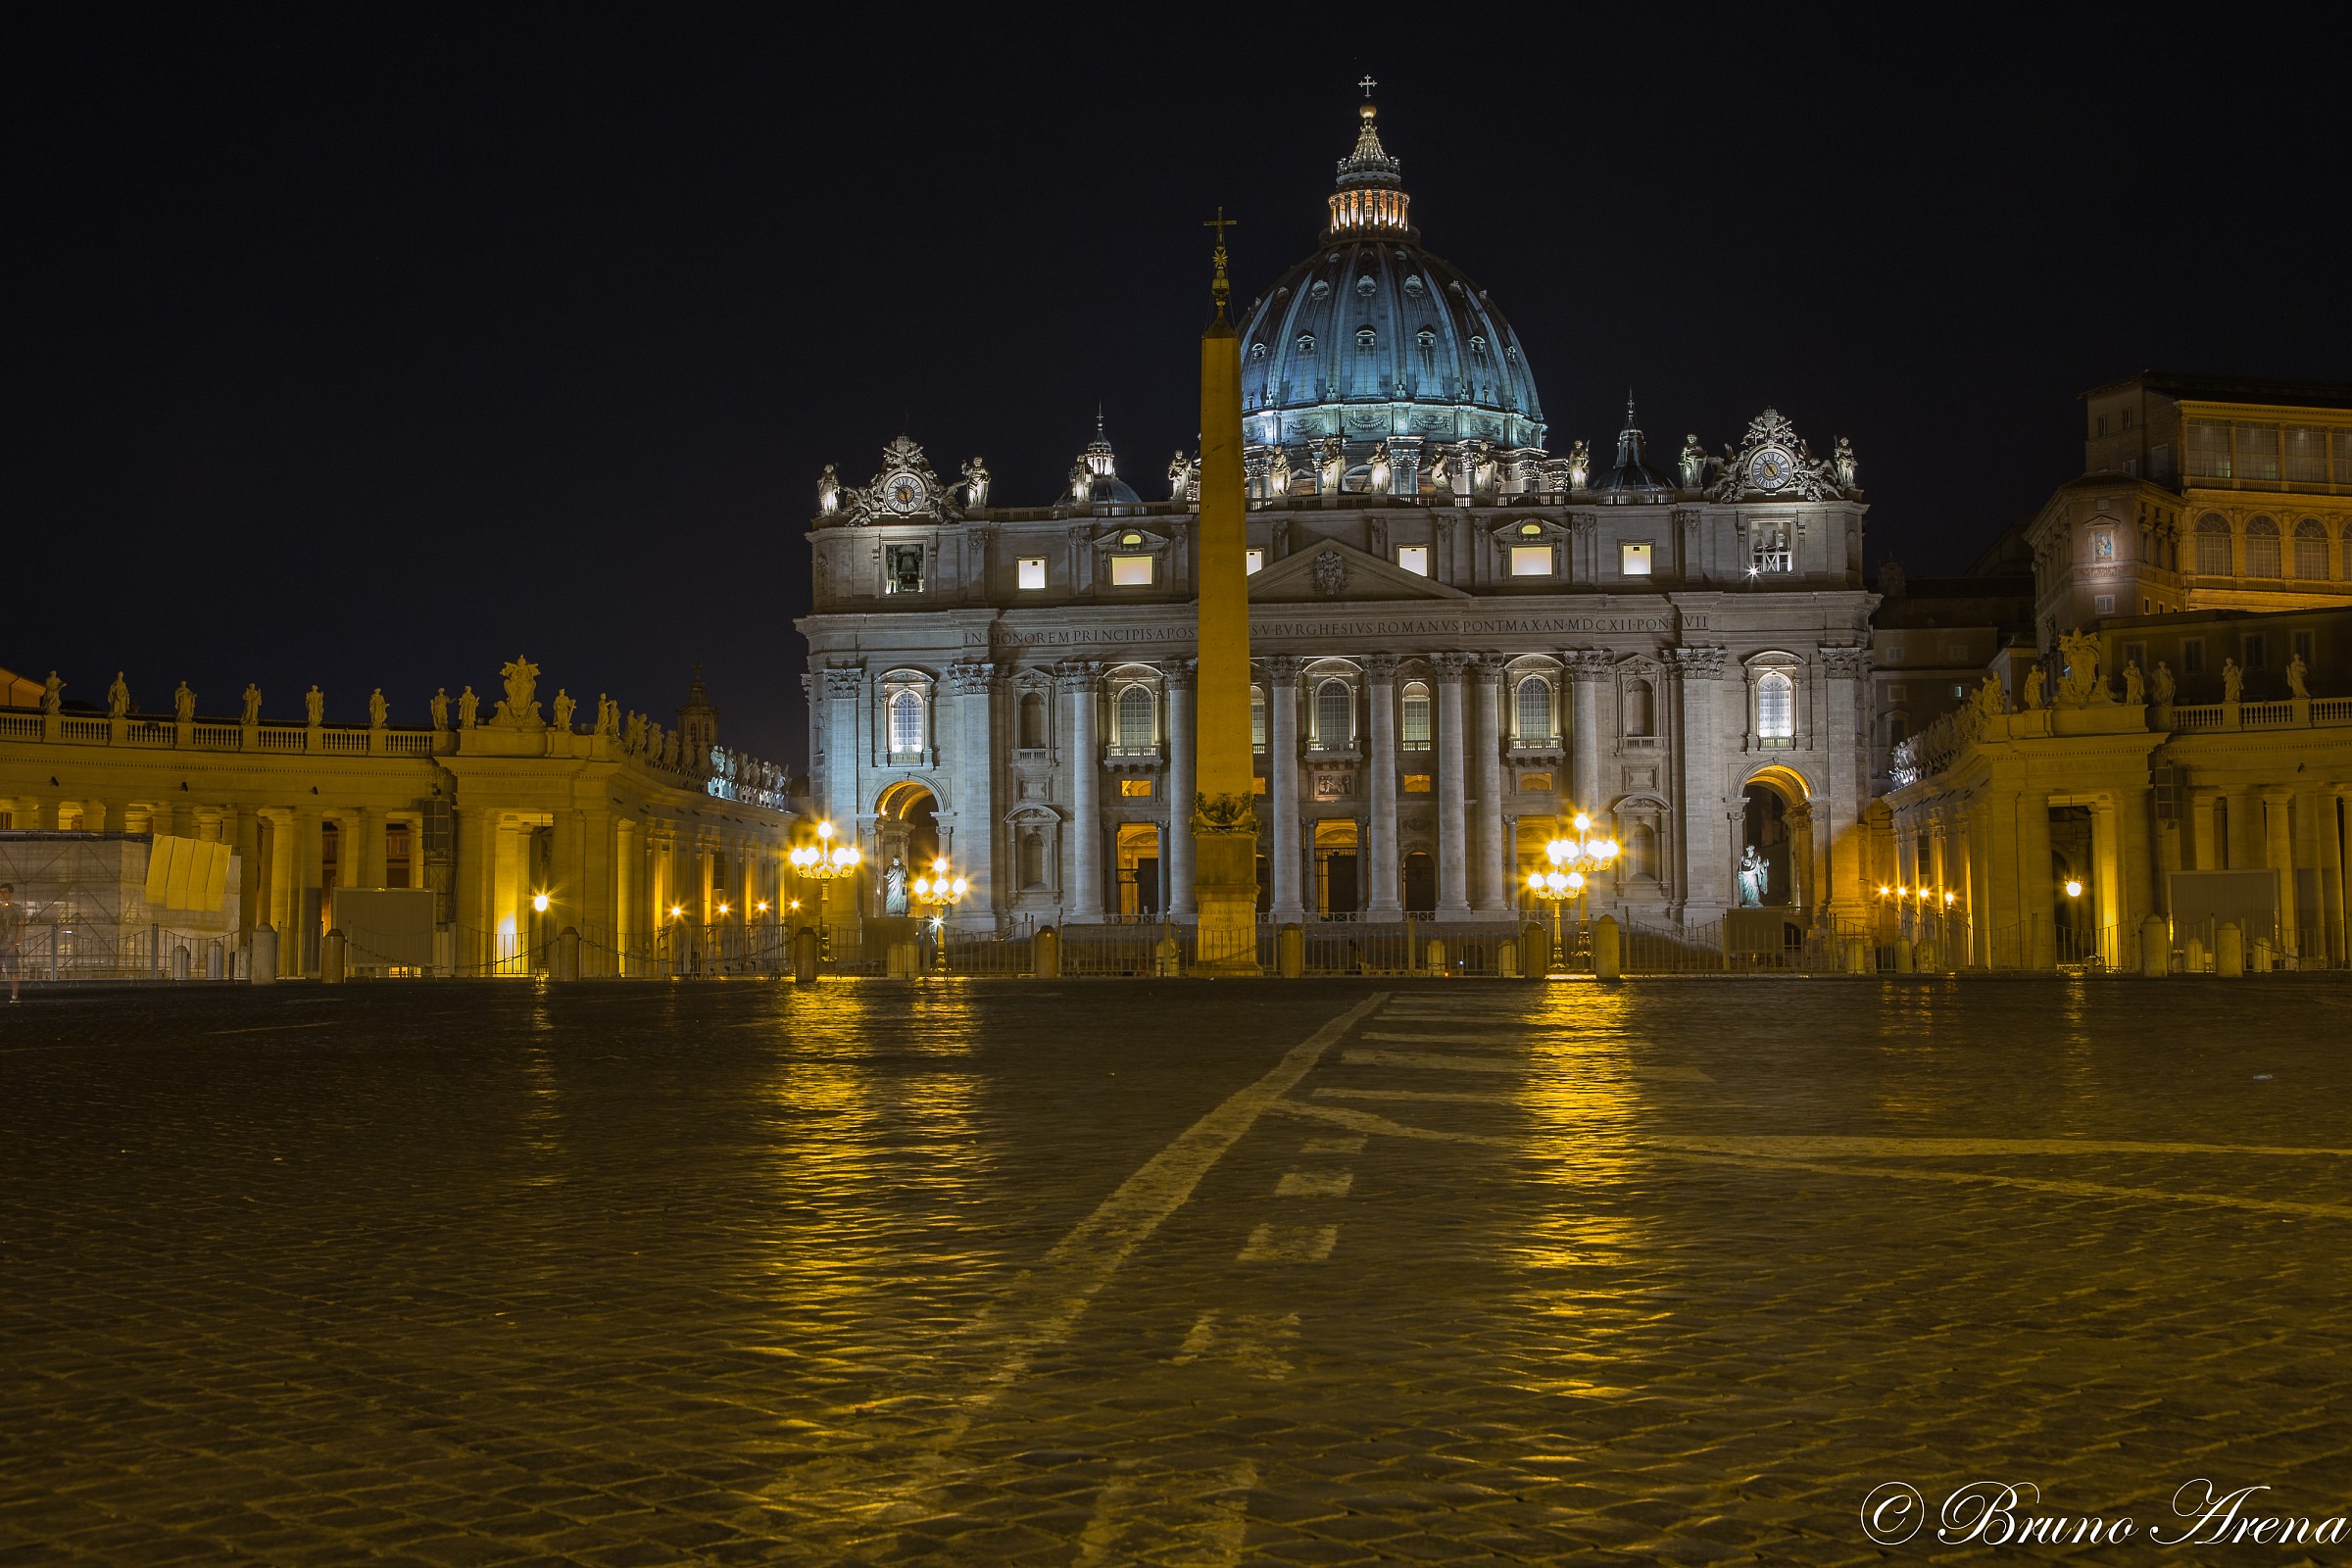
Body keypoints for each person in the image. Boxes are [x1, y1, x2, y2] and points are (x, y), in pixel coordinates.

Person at [0, 882, 22, 1003]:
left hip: (9, 945)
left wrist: (15, 944)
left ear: (10, 893)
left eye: (5, 892)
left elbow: (22, 927)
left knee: (13, 972)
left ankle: (14, 996)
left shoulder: (16, 909)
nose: (2, 894)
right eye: (1, 892)